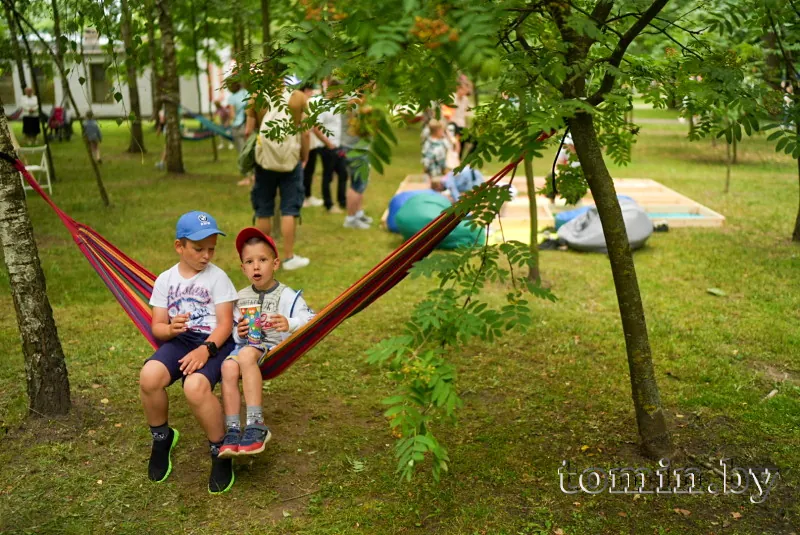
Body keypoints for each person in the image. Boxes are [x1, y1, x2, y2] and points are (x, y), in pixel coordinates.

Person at [139, 211, 239, 494]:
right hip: (181, 340)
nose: (206, 255)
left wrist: (206, 350)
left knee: (194, 387)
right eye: (198, 249)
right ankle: (162, 438)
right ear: (179, 247)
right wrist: (171, 329)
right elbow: (157, 328)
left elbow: (225, 324)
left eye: (211, 249)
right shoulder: (165, 280)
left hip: (215, 341)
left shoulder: (217, 278)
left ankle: (221, 450)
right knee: (149, 377)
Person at [218, 227, 316, 458]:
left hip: (274, 349)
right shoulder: (240, 297)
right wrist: (239, 332)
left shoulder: (287, 295)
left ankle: (256, 423)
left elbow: (311, 319)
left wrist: (289, 323)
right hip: (246, 348)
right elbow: (233, 330)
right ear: (243, 268)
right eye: (249, 261)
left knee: (244, 356)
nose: (256, 266)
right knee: (227, 367)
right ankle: (233, 429)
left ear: (275, 263)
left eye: (262, 259)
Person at [245, 81, 311, 270]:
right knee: (289, 208)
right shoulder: (298, 97)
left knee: (263, 208)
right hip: (291, 162)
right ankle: (288, 258)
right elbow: (306, 133)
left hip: (264, 162)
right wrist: (304, 156)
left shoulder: (257, 95)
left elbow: (249, 130)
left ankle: (262, 259)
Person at [340, 94, 374, 229]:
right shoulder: (354, 103)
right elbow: (362, 129)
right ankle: (350, 218)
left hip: (355, 147)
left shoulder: (354, 100)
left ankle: (358, 214)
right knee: (357, 184)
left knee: (361, 183)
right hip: (355, 148)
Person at [316, 81, 348, 213]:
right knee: (328, 176)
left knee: (343, 174)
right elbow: (316, 127)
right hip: (327, 147)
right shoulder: (323, 106)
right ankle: (328, 204)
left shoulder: (337, 105)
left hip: (338, 146)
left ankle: (342, 202)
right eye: (339, 90)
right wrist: (328, 143)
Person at [227, 81, 251, 185]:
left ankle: (247, 178)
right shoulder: (247, 93)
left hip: (237, 127)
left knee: (242, 153)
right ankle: (253, 175)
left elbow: (232, 115)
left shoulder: (232, 98)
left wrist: (228, 122)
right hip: (248, 125)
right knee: (249, 151)